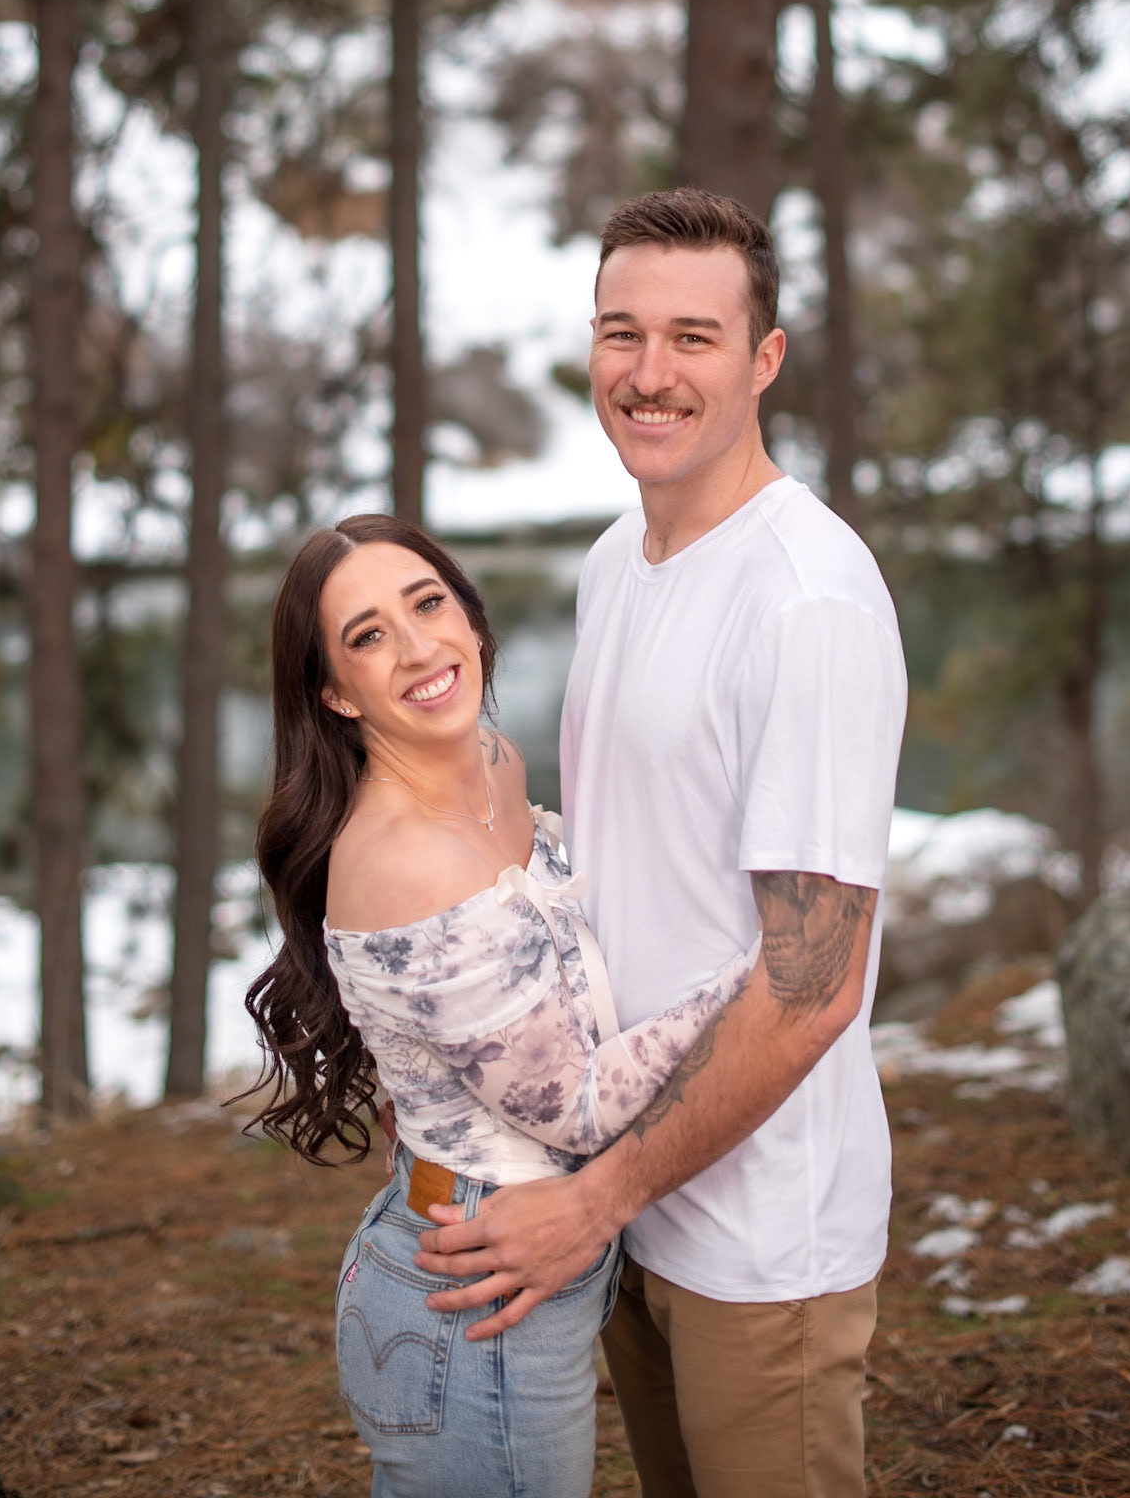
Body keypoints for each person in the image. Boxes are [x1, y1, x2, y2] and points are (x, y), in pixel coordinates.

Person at [414, 188, 908, 1498]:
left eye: (694, 337)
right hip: (628, 1197)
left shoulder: (805, 600)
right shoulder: (613, 563)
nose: (649, 372)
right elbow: (632, 858)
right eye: (620, 331)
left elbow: (812, 985)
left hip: (757, 1234)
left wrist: (597, 1199)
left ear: (764, 358)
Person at [243, 512, 756, 1498]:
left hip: (522, 1253)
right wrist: (764, 967)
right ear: (335, 692)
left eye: (427, 603)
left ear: (472, 619)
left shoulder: (494, 764)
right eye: (368, 635)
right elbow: (577, 1105)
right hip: (471, 1295)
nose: (417, 647)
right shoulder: (405, 856)